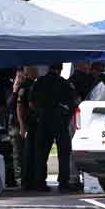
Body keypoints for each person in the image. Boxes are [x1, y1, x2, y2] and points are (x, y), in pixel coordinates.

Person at [29, 63, 74, 193]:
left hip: (43, 120)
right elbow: (72, 102)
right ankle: (63, 183)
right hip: (59, 121)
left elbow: (31, 103)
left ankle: (40, 183)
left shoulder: (38, 82)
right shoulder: (64, 83)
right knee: (63, 153)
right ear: (59, 70)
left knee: (41, 154)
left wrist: (39, 113)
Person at [17, 66, 39, 190]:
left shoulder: (35, 85)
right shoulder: (25, 87)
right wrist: (22, 126)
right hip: (29, 124)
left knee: (34, 153)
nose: (36, 72)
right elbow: (19, 107)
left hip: (33, 123)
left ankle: (33, 180)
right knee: (28, 153)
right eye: (34, 71)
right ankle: (27, 181)